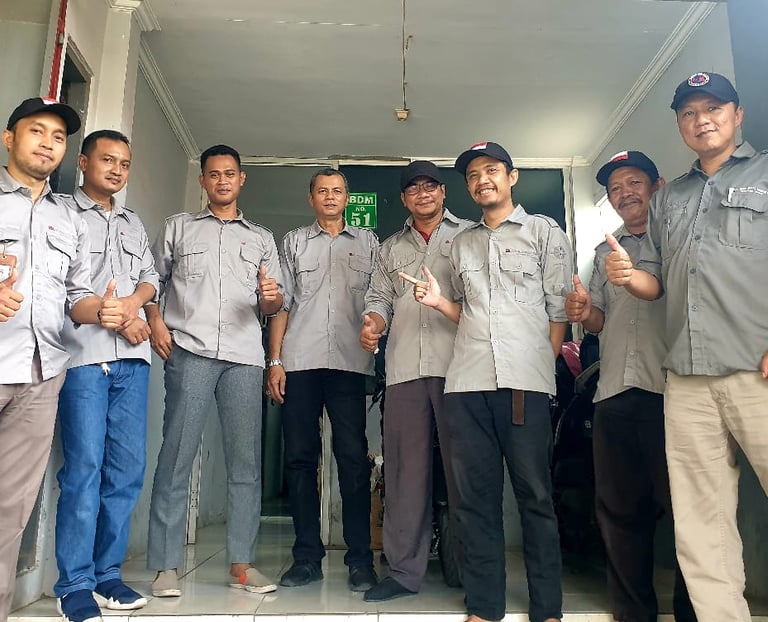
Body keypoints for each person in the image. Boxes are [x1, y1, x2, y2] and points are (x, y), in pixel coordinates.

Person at [604, 72, 768, 622]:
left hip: (756, 370)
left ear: (737, 114)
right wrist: (628, 275)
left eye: (713, 108)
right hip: (687, 381)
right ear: (680, 125)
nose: (702, 120)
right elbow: (656, 283)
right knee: (701, 522)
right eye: (689, 113)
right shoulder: (670, 197)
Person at [408, 141, 571, 622]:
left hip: (525, 385)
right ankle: (484, 606)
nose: (483, 180)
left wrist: (542, 368)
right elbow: (468, 312)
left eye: (492, 170)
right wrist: (438, 302)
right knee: (474, 502)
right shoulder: (461, 243)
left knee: (535, 497)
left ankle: (547, 608)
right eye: (474, 175)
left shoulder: (544, 232)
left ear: (511, 176)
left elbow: (558, 311)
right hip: (467, 384)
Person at [0, 97, 127, 622]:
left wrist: (104, 309)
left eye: (58, 136)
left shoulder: (66, 217)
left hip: (41, 373)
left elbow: (75, 294)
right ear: (10, 138)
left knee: (11, 508)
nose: (48, 143)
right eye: (37, 131)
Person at [145, 144, 283, 598]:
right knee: (177, 456)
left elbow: (275, 303)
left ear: (242, 179)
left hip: (244, 357)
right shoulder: (179, 228)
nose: (222, 180)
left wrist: (270, 299)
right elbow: (151, 281)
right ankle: (165, 566)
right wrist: (155, 321)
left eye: (230, 173)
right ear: (203, 181)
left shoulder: (261, 239)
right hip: (190, 351)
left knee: (245, 463)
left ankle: (242, 565)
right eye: (214, 174)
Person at [566, 151, 695, 622]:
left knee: (688, 510)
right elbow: (600, 321)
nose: (625, 194)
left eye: (634, 182)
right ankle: (632, 612)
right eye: (615, 188)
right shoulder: (603, 252)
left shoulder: (679, 240)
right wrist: (585, 312)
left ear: (657, 186)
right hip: (615, 392)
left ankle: (693, 610)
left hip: (674, 392)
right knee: (619, 511)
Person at [53, 130, 159, 622]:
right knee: (85, 469)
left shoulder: (133, 222)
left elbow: (150, 278)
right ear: (83, 162)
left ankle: (106, 575)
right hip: (84, 359)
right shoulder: (61, 212)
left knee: (126, 470)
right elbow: (65, 288)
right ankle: (74, 584)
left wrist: (132, 306)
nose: (116, 170)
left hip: (134, 360)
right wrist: (113, 316)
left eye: (124, 163)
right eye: (107, 160)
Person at [359, 161, 472, 602]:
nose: (422, 194)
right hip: (405, 370)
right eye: (413, 189)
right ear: (405, 199)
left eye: (430, 186)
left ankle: (474, 571)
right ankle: (403, 573)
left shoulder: (469, 237)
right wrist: (373, 323)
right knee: (404, 473)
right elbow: (379, 298)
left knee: (465, 471)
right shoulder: (389, 249)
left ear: (443, 192)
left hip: (461, 368)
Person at [267, 168, 378, 592]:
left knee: (352, 460)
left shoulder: (369, 243)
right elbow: (282, 304)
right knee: (299, 459)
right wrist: (275, 360)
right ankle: (306, 558)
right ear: (311, 199)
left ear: (347, 198)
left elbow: (379, 300)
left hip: (350, 362)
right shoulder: (294, 242)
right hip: (300, 361)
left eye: (337, 191)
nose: (330, 197)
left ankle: (360, 560)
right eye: (322, 191)